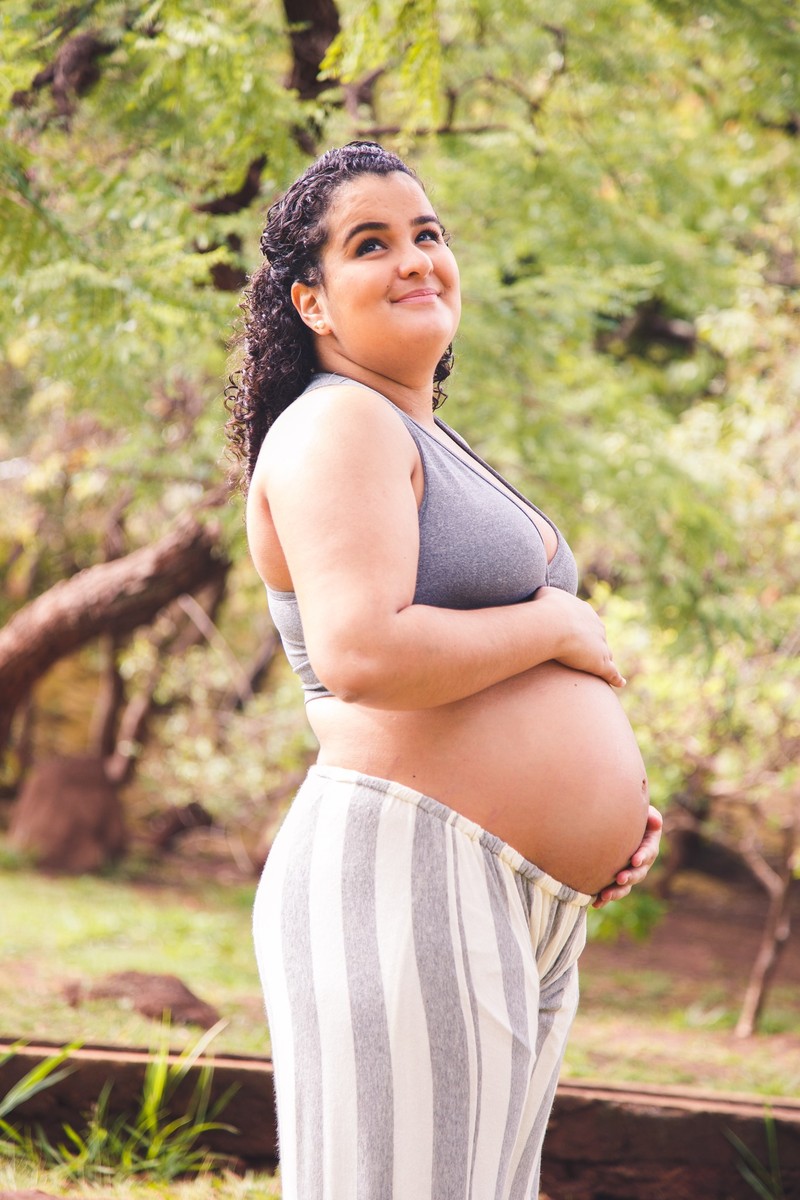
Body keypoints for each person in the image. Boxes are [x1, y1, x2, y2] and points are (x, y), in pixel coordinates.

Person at [226, 141, 662, 1200]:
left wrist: (592, 822)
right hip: (405, 874)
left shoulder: (416, 431)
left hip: (501, 893)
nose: (416, 258)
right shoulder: (336, 420)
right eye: (370, 243)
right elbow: (363, 653)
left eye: (427, 233)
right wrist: (557, 629)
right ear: (313, 303)